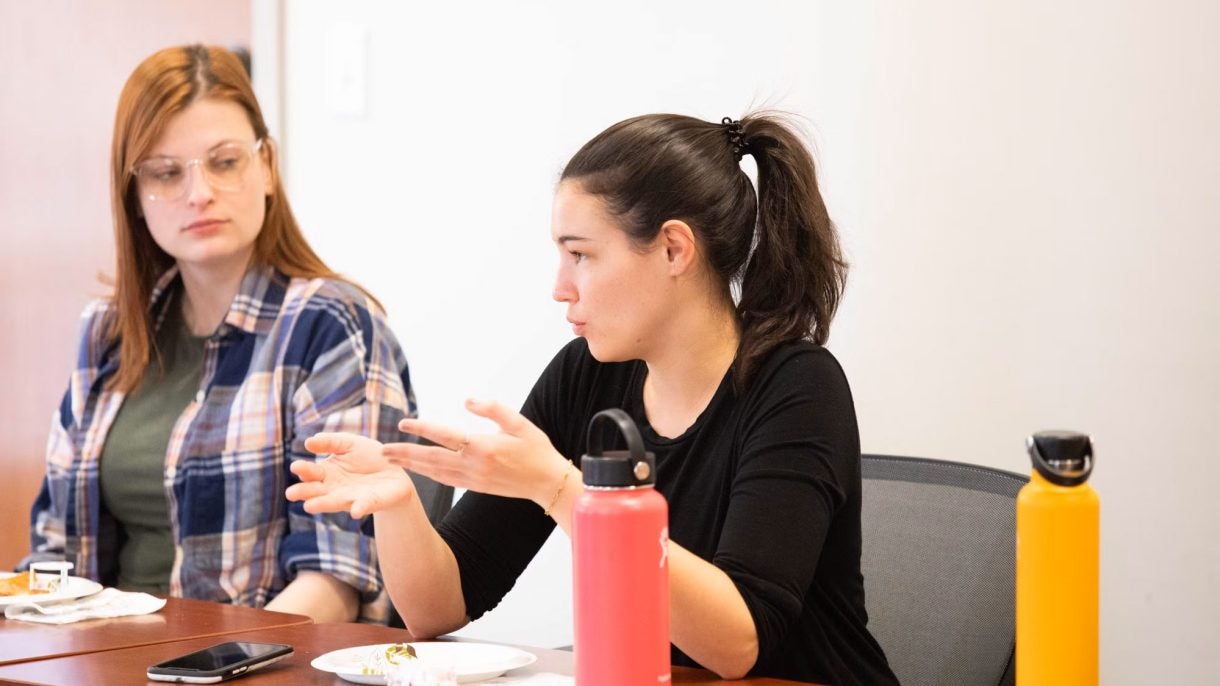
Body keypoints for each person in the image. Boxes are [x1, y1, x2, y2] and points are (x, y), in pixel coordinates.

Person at [288, 112, 898, 683]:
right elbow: (441, 607)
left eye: (580, 254)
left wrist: (559, 490)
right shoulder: (588, 375)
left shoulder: (797, 385)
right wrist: (400, 509)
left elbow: (737, 646)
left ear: (673, 249)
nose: (559, 287)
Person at [27, 44, 416, 624]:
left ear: (267, 167)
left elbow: (336, 582)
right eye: (165, 173)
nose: (199, 192)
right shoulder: (106, 333)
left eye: (225, 161)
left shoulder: (331, 326)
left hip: (258, 666)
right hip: (103, 661)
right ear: (134, 196)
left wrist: (208, 667)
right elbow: (54, 557)